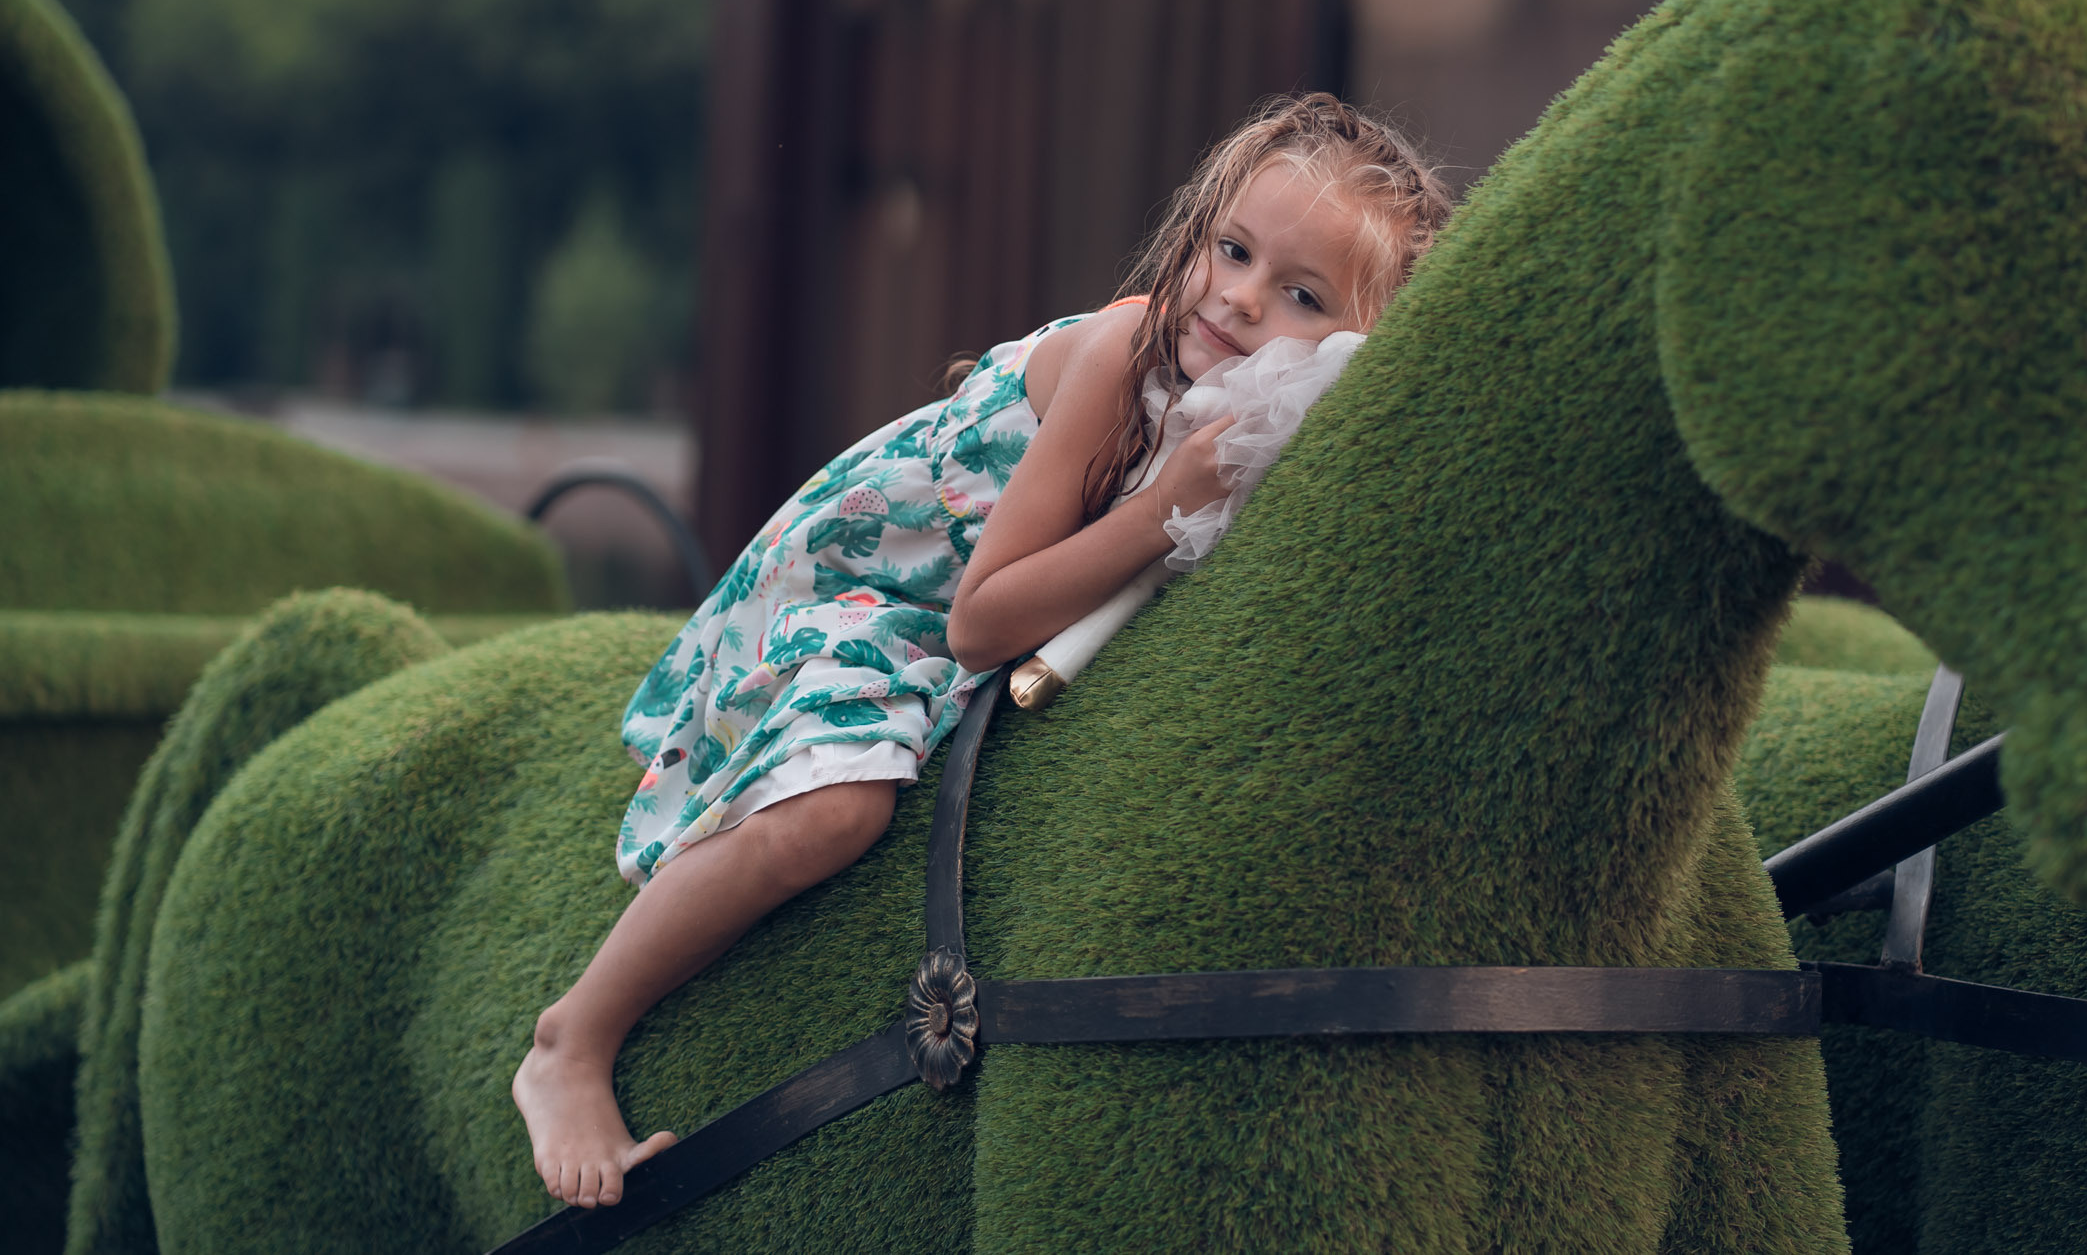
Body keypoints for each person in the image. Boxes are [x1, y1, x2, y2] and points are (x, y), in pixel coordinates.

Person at [512, 93, 1453, 1208]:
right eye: (1232, 249)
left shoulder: (1271, 417)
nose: (1240, 299)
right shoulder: (1123, 359)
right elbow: (980, 617)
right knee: (836, 809)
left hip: (999, 615)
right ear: (1197, 226)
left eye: (1298, 294)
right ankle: (575, 1033)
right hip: (887, 589)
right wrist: (1166, 507)